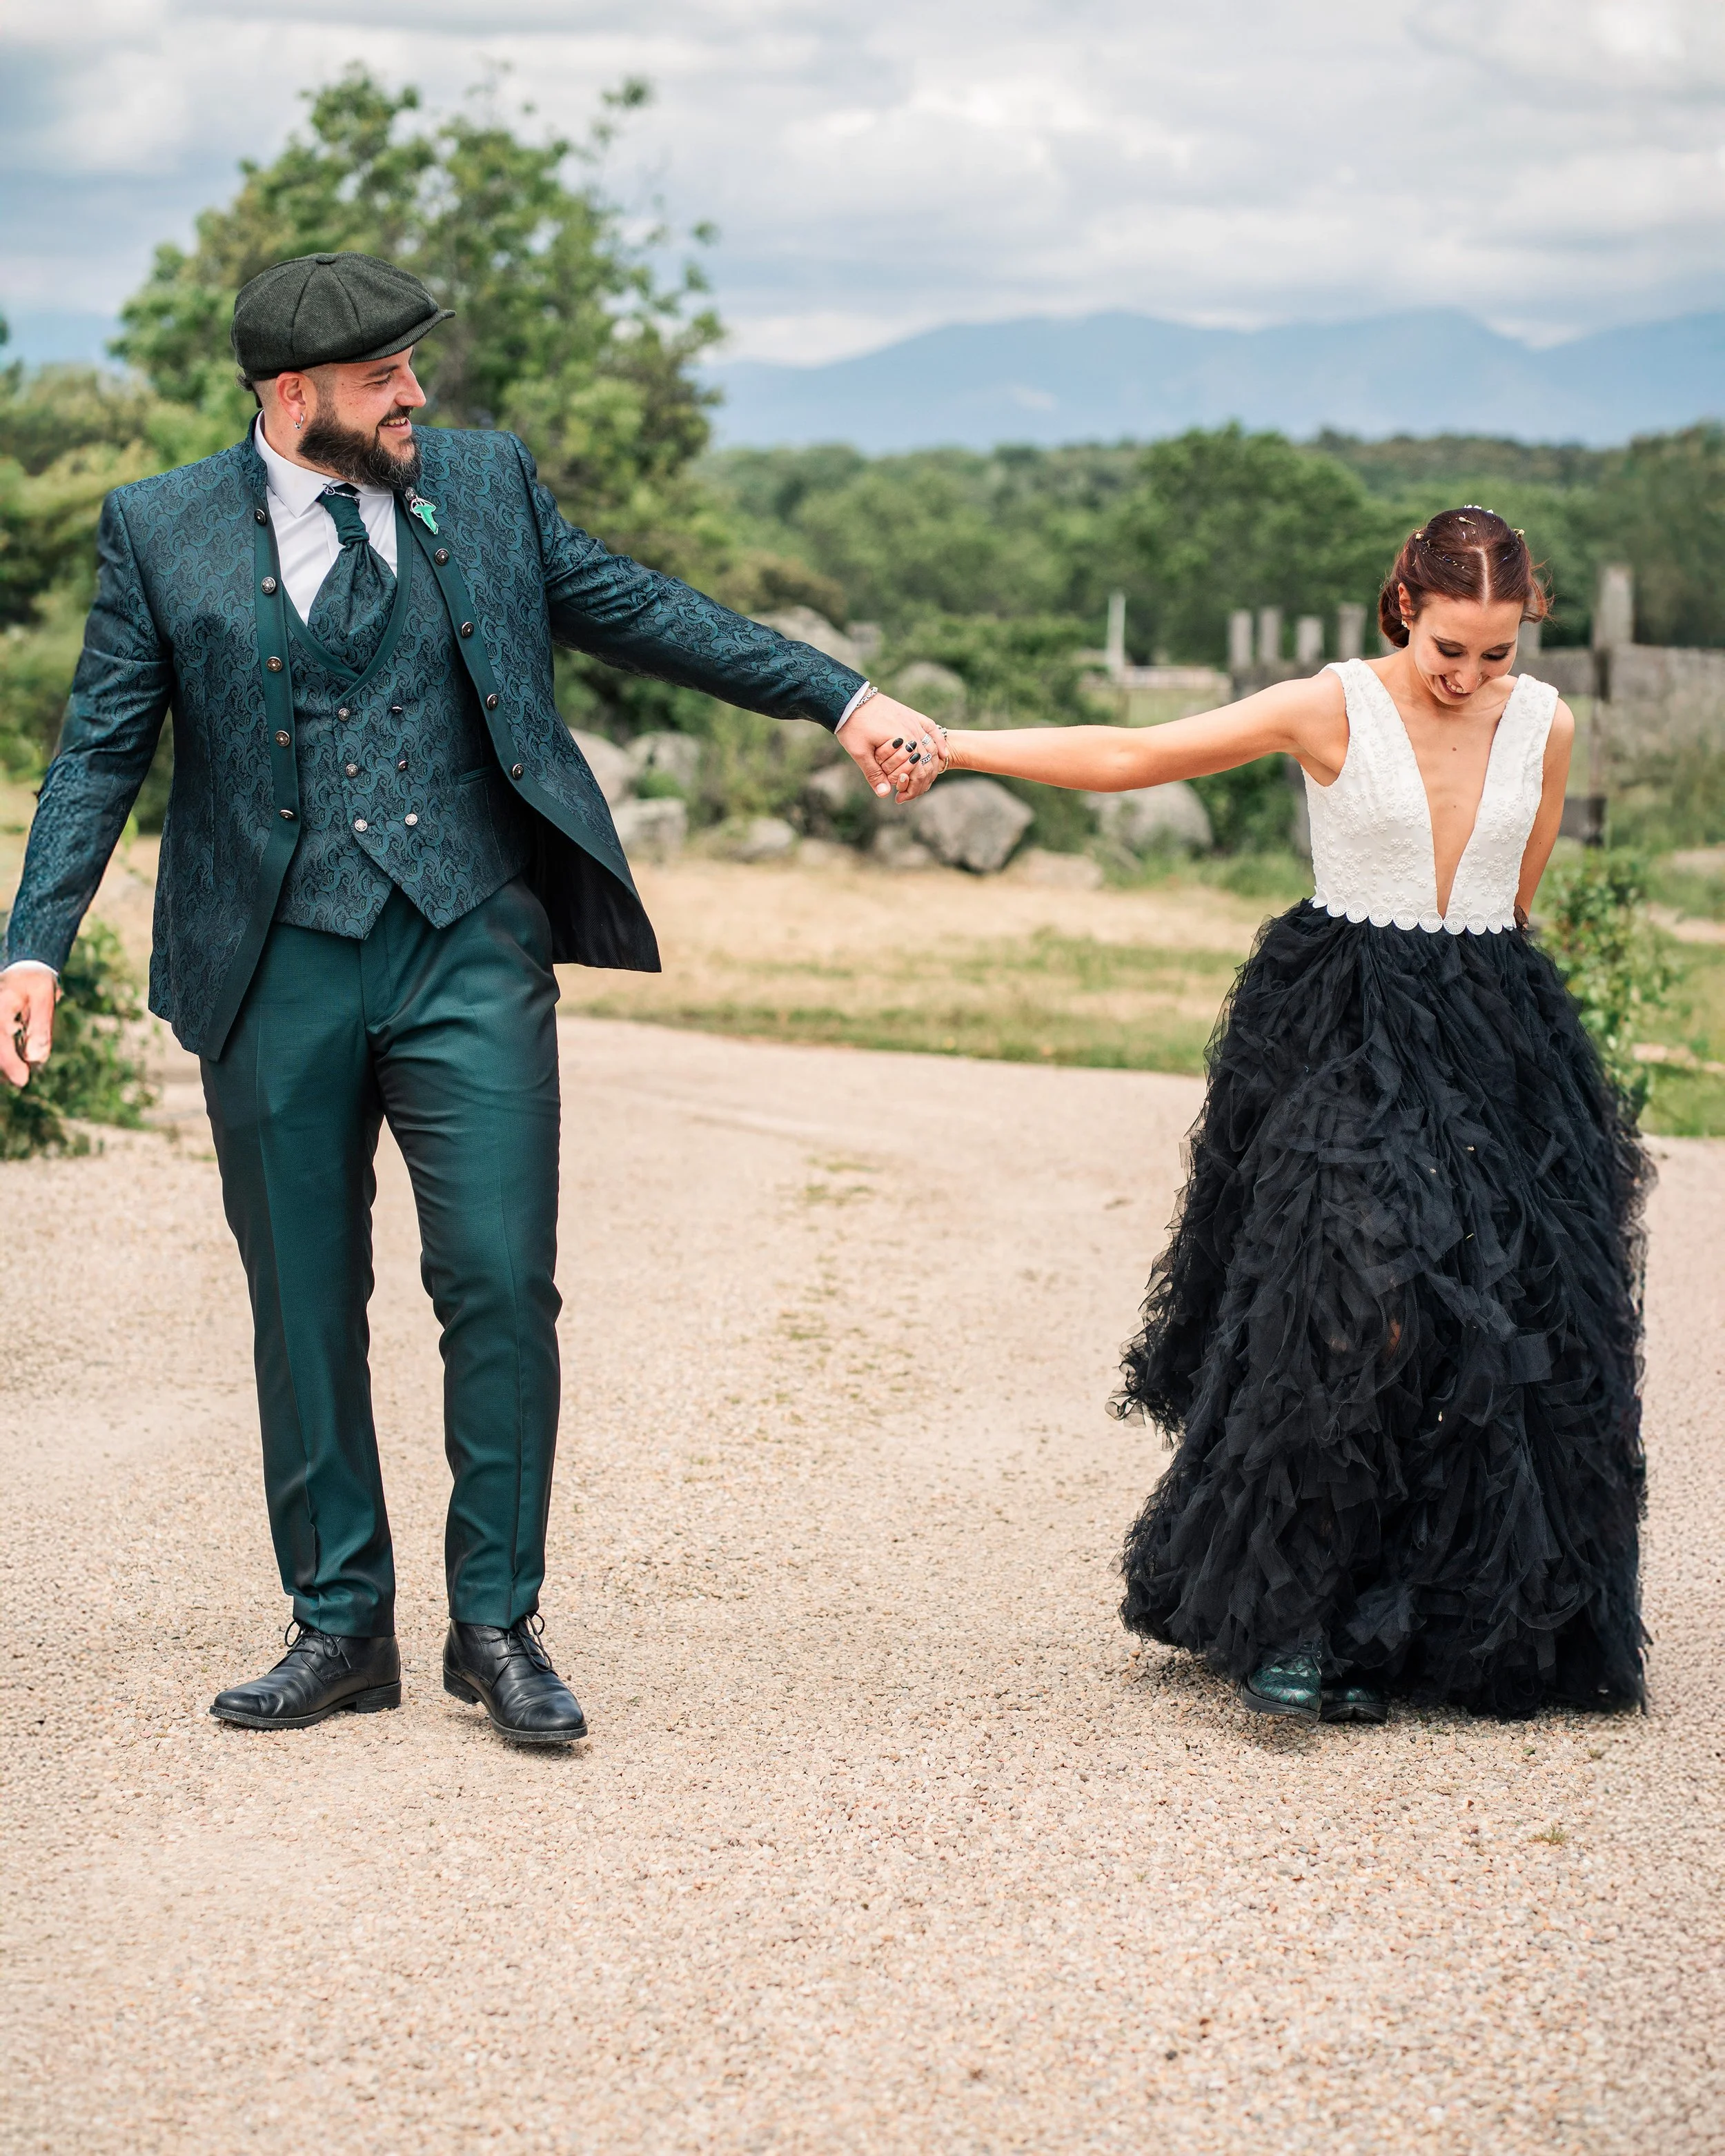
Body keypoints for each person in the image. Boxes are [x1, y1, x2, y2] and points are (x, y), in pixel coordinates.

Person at [0, 251, 941, 1745]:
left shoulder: (485, 487)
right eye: (385, 379)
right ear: (292, 394)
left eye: (414, 374)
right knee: (302, 1301)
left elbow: (646, 610)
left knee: (501, 1279)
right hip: (270, 962)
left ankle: (494, 1624)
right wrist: (34, 937)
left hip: (464, 942)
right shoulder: (160, 528)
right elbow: (99, 747)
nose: (416, 397)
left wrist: (838, 692)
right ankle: (339, 1624)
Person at [880, 508, 1647, 1724]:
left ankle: (1433, 1623)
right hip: (1346, 1023)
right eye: (1451, 648)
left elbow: (1520, 890)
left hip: (1496, 1031)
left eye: (1496, 654)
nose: (1469, 677)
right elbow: (1137, 753)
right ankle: (1295, 1614)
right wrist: (957, 745)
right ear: (1406, 606)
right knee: (1351, 1297)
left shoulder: (1544, 724)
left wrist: (1503, 1050)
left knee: (1502, 1319)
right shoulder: (1330, 707)